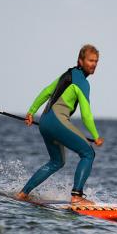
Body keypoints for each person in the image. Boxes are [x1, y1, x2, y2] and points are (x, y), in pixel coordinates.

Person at [16, 44, 104, 205]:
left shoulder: (68, 74)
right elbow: (86, 115)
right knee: (88, 153)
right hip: (57, 121)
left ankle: (23, 193)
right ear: (80, 60)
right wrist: (96, 136)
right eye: (90, 60)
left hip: (45, 122)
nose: (93, 64)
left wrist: (31, 112)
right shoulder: (82, 82)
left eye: (96, 61)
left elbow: (47, 91)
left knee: (56, 162)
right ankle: (77, 196)